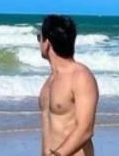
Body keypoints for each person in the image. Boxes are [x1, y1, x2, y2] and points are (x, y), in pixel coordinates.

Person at [37, 14, 98, 156]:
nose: (39, 42)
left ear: (47, 43)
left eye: (39, 37)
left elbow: (85, 129)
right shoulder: (48, 83)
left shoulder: (80, 76)